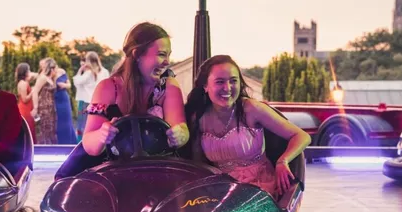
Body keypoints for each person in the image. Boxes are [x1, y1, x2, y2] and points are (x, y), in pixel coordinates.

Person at [185, 55, 311, 198]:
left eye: (233, 81)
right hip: (222, 191)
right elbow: (198, 164)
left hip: (260, 188)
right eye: (219, 82)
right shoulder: (199, 118)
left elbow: (302, 136)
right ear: (205, 86)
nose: (227, 88)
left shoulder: (251, 109)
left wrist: (283, 161)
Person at [80, 22, 189, 157]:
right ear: (137, 54)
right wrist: (102, 135)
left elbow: (180, 127)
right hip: (116, 168)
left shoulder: (169, 86)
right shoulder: (107, 88)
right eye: (161, 54)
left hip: (160, 166)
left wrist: (180, 134)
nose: (167, 62)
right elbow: (90, 146)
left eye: (168, 55)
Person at [73, 51, 109, 143]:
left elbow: (76, 81)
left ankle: (82, 145)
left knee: (83, 126)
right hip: (100, 102)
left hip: (86, 102)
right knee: (97, 125)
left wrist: (80, 70)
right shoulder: (104, 72)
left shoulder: (88, 73)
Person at [43, 57, 78, 144]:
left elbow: (69, 84)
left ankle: (70, 141)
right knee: (59, 120)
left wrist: (64, 85)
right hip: (56, 98)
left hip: (64, 97)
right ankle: (61, 142)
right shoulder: (49, 74)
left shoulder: (62, 71)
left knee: (67, 119)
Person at [31, 59, 57, 144]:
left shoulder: (50, 78)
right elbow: (35, 91)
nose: (56, 70)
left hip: (50, 109)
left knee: (50, 130)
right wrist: (35, 107)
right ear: (51, 68)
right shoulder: (43, 78)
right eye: (55, 68)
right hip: (44, 108)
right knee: (44, 130)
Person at [15, 62, 37, 143]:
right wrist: (33, 91)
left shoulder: (24, 82)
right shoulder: (23, 84)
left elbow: (36, 75)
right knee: (29, 130)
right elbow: (24, 99)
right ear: (25, 72)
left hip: (27, 108)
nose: (30, 72)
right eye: (28, 70)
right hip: (25, 110)